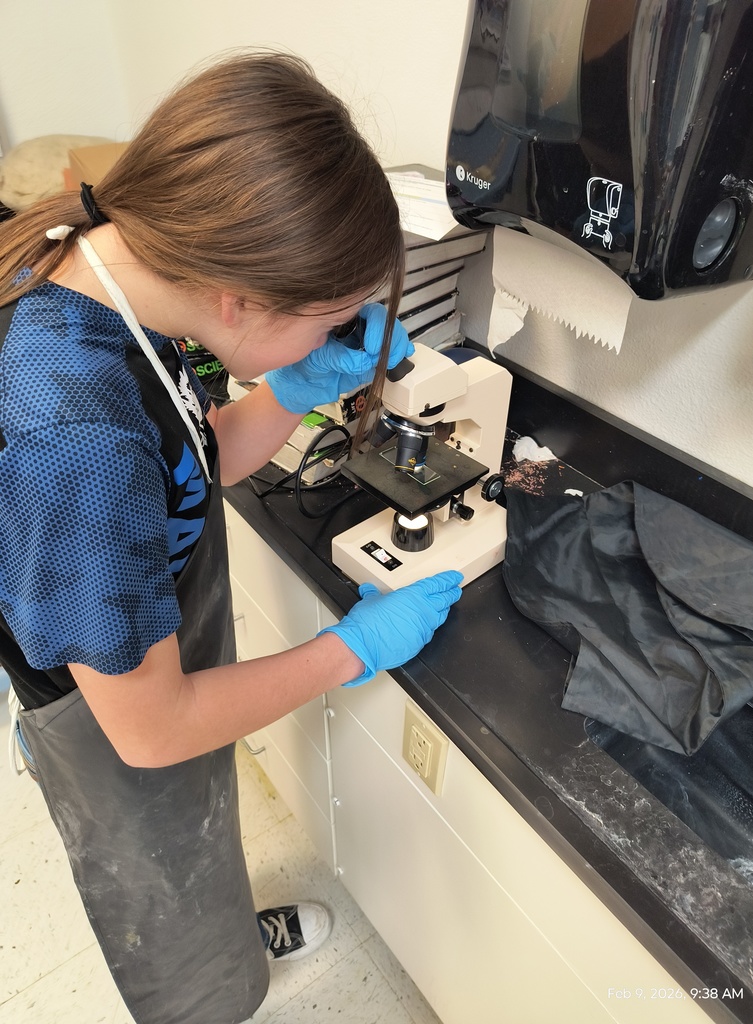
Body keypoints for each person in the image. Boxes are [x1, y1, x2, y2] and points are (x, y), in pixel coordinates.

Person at [0, 51, 462, 1024]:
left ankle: (226, 940)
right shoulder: (75, 439)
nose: (336, 336)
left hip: (149, 649)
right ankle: (211, 993)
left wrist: (292, 389)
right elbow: (152, 724)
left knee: (204, 858)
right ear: (240, 301)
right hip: (114, 722)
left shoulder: (124, 278)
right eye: (328, 321)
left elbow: (184, 463)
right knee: (166, 906)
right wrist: (350, 649)